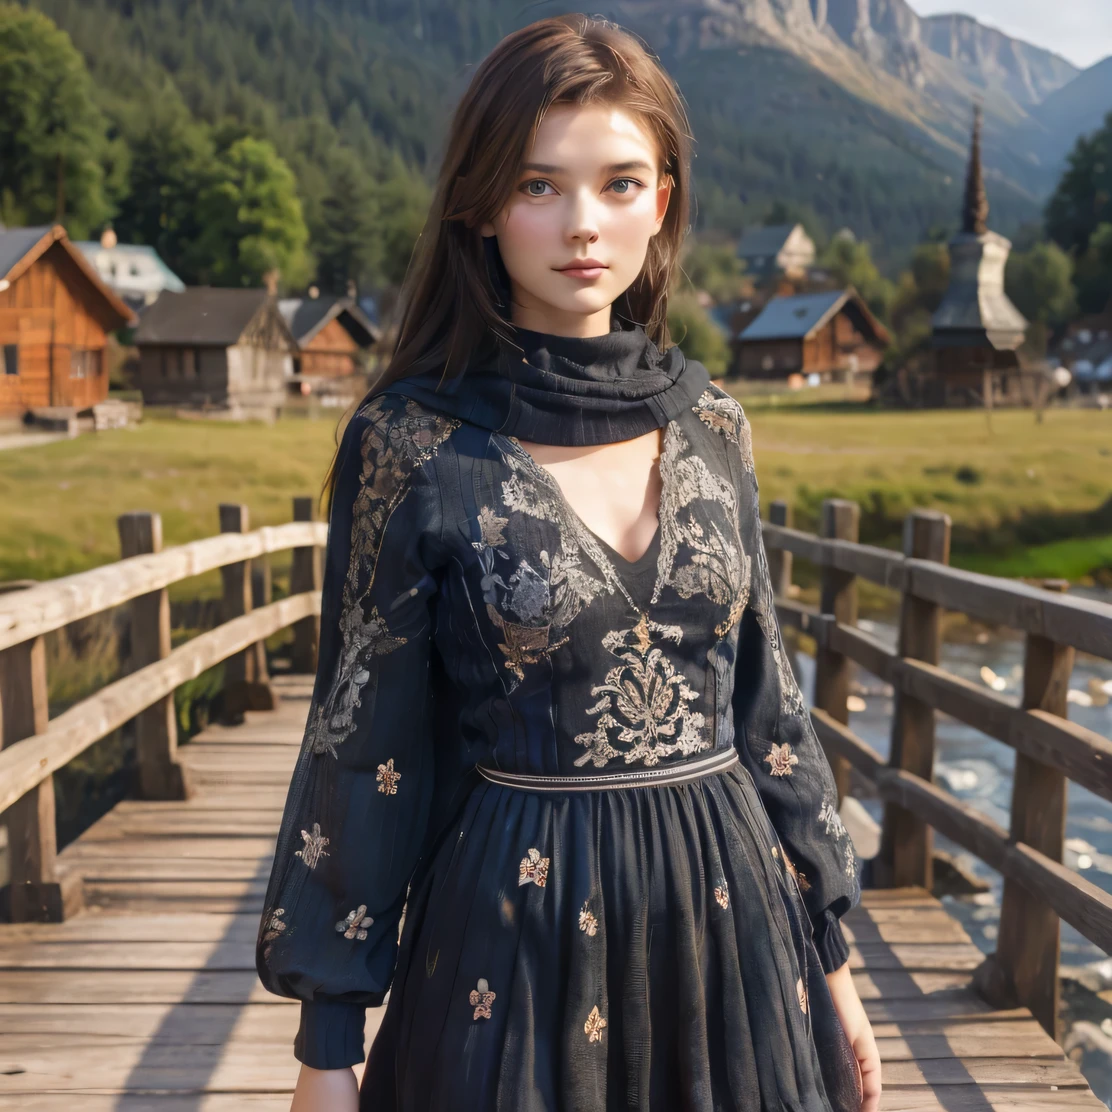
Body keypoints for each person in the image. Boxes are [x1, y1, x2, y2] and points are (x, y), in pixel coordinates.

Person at [256, 14, 881, 1112]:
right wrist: (326, 1044)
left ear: (664, 199)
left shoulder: (714, 426)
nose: (582, 225)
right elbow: (363, 747)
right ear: (478, 204)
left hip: (727, 939)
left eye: (620, 183)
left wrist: (833, 960)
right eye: (539, 185)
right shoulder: (412, 442)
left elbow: (767, 706)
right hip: (512, 949)